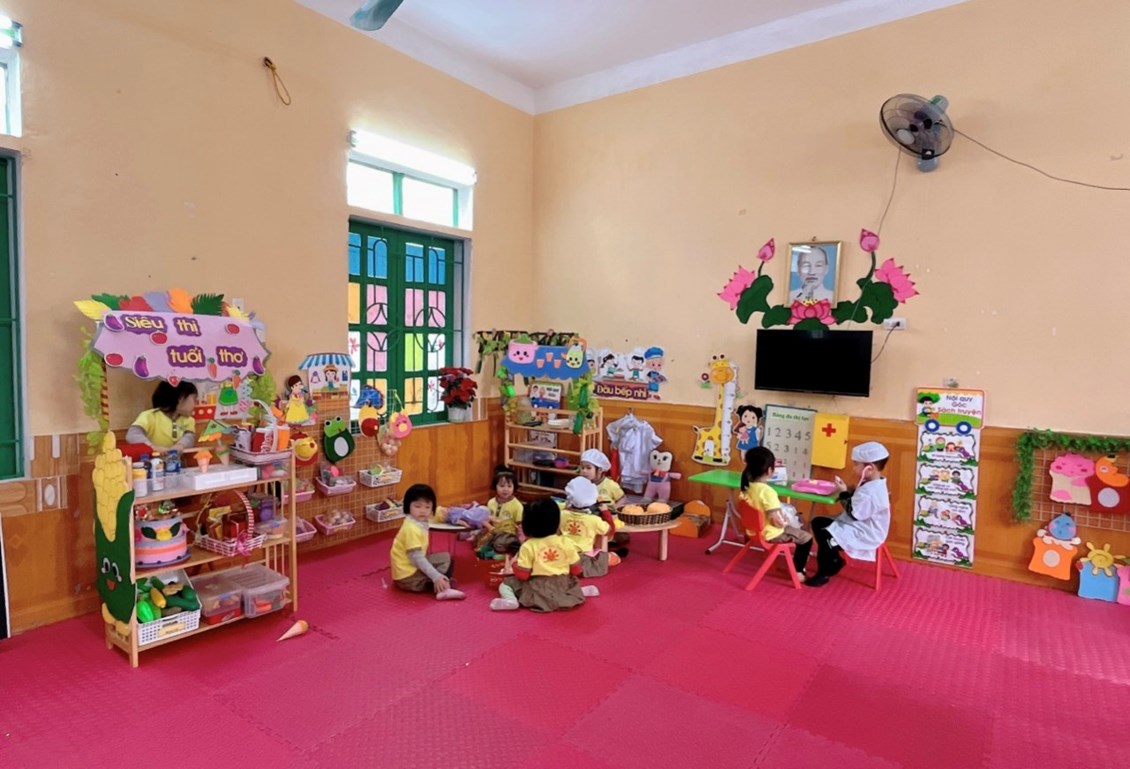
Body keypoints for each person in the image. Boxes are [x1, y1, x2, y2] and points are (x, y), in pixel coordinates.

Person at [490, 498, 600, 612]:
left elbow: (523, 575)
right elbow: (576, 570)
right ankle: (580, 591)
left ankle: (510, 600)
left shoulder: (528, 546)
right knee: (572, 582)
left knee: (506, 584)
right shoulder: (566, 542)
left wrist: (515, 565)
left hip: (538, 587)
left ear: (527, 524)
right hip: (562, 583)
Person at [808, 441, 892, 587]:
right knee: (818, 522)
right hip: (857, 524)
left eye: (856, 464)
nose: (853, 468)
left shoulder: (872, 491)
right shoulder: (871, 483)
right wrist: (851, 491)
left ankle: (825, 571)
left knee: (826, 536)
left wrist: (843, 493)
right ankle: (834, 558)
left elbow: (854, 513)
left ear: (869, 468)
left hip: (866, 532)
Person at [739, 447, 813, 582]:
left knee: (795, 531)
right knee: (806, 538)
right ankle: (798, 572)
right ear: (769, 470)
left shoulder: (747, 488)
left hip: (752, 531)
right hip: (770, 533)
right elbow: (776, 522)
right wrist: (785, 521)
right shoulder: (767, 492)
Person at [389, 483, 466, 600]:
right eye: (418, 506)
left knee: (447, 557)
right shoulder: (410, 528)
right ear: (408, 506)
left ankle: (442, 583)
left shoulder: (420, 518)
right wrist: (435, 576)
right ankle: (442, 588)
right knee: (433, 575)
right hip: (407, 576)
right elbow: (416, 558)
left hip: (413, 567)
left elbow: (437, 514)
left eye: (427, 507)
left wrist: (452, 516)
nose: (423, 511)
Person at [559, 476, 620, 577]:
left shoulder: (562, 514)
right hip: (583, 558)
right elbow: (609, 531)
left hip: (563, 554)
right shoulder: (594, 520)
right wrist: (605, 512)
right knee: (609, 555)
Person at [580, 448, 630, 557]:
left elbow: (623, 498)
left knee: (613, 533)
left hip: (607, 515)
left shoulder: (610, 485)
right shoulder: (582, 483)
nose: (584, 471)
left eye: (588, 468)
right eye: (582, 468)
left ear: (600, 470)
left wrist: (615, 508)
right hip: (589, 515)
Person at [126, 380, 198, 452]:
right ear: (180, 398)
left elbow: (189, 437)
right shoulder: (149, 416)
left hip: (176, 458)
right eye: (194, 399)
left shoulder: (189, 420)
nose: (195, 404)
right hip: (152, 458)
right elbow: (132, 435)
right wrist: (152, 447)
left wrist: (180, 445)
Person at [475, 466, 524, 558]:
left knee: (499, 544)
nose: (505, 489)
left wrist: (521, 539)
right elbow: (487, 519)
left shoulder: (517, 505)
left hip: (508, 534)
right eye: (502, 486)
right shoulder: (491, 502)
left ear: (514, 487)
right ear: (495, 486)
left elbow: (519, 526)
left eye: (509, 486)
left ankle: (513, 545)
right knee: (478, 540)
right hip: (493, 531)